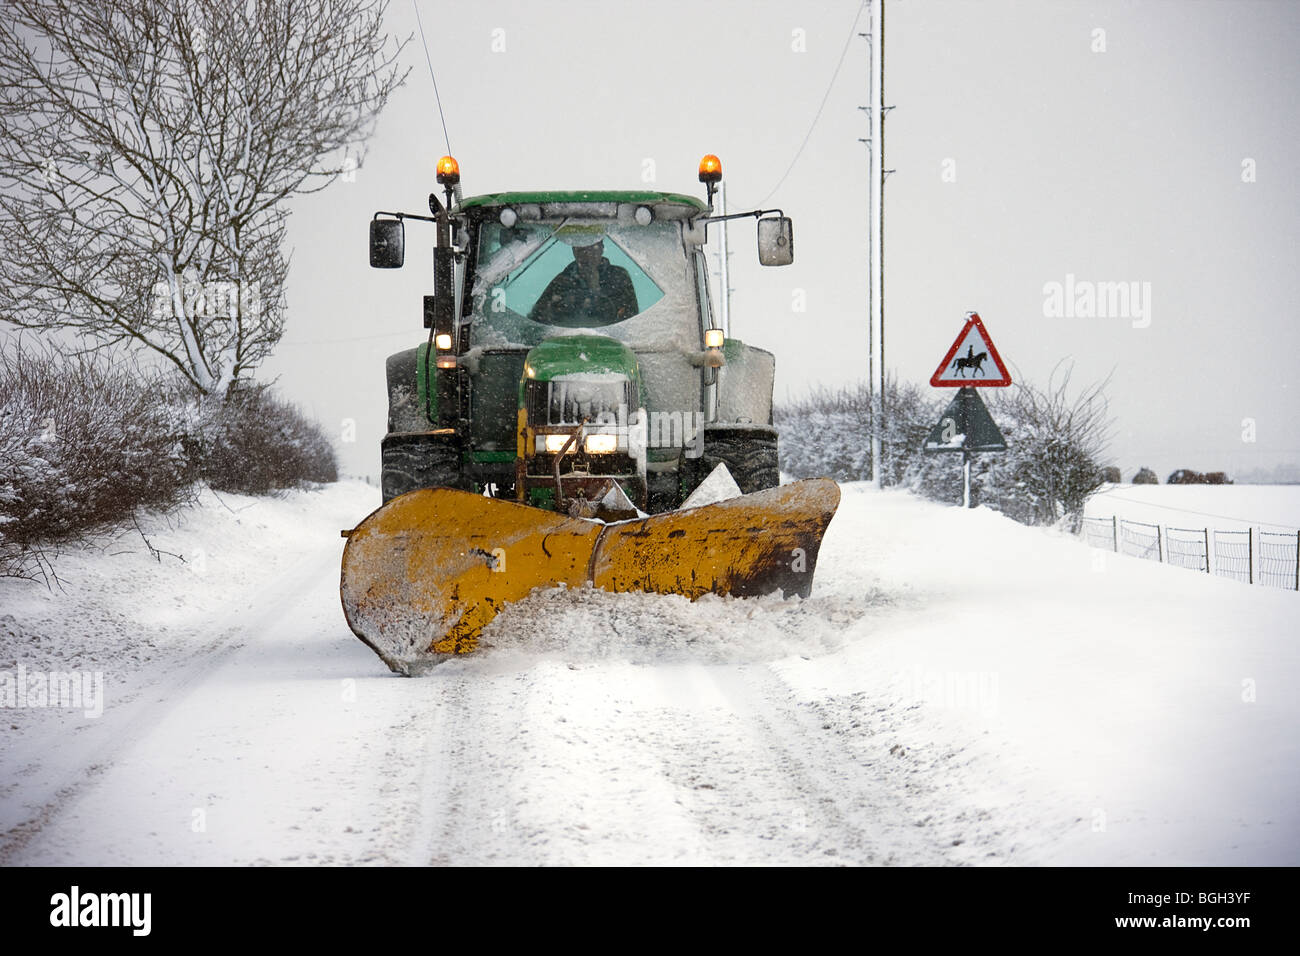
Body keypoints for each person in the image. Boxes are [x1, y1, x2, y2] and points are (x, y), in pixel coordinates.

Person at [530, 235, 638, 326]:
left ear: (601, 248)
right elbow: (537, 319)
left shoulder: (618, 277)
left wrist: (595, 289)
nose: (587, 255)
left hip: (607, 342)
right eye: (581, 249)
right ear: (574, 250)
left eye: (592, 248)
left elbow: (630, 320)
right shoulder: (562, 281)